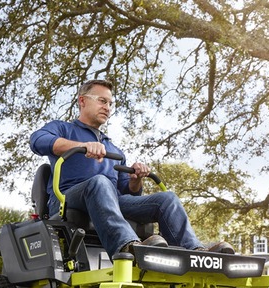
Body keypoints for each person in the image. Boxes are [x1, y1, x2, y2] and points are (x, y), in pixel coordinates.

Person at [29, 79, 233, 259]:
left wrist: (136, 179)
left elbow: (127, 192)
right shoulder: (63, 128)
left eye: (110, 103)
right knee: (100, 183)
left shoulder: (113, 149)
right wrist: (80, 147)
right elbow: (38, 141)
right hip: (67, 198)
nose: (107, 107)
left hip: (110, 199)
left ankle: (193, 251)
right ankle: (127, 246)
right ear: (82, 101)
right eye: (102, 101)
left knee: (167, 198)